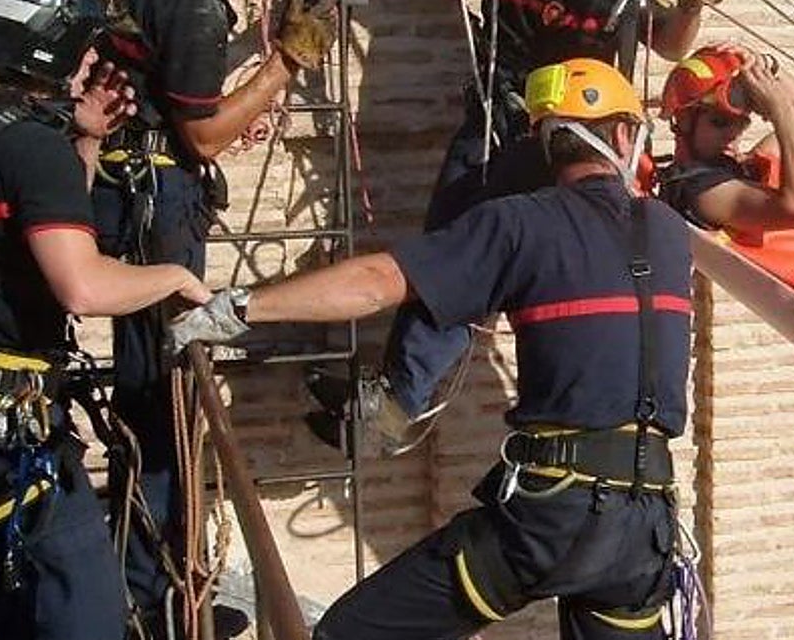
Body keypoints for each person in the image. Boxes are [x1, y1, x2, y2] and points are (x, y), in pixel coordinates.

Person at [171, 58, 695, 639]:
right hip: (645, 530)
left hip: (552, 517)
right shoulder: (670, 232)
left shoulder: (520, 224)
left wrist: (240, 307)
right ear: (622, 136)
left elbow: (376, 282)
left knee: (350, 633)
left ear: (547, 144)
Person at [337, 0, 720, 430]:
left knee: (480, 256)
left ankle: (414, 396)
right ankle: (399, 397)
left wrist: (691, 6)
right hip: (493, 123)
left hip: (566, 142)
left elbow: (668, 43)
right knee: (449, 249)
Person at [0, 0, 212, 640]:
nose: (93, 58)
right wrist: (176, 277)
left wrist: (87, 140)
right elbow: (82, 284)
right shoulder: (32, 149)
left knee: (22, 599)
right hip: (6, 423)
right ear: (48, 44)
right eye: (86, 43)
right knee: (86, 610)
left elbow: (38, 231)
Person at [94, 0, 345, 623]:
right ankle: (158, 594)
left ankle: (156, 572)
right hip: (157, 206)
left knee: (154, 390)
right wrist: (286, 63)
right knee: (167, 397)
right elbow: (205, 133)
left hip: (131, 194)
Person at [655, 43, 794, 236]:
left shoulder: (736, 165)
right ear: (684, 120)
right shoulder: (702, 190)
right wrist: (780, 110)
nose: (734, 136)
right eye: (720, 123)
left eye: (741, 126)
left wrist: (763, 66)